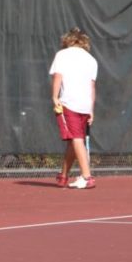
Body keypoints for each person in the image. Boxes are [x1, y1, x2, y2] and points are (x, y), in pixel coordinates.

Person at [49, 27, 97, 189]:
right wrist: (91, 109)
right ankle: (63, 176)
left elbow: (58, 76)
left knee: (77, 139)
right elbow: (92, 87)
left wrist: (55, 97)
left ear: (67, 41)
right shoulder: (91, 60)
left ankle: (87, 177)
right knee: (73, 141)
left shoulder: (62, 55)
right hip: (84, 105)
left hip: (69, 104)